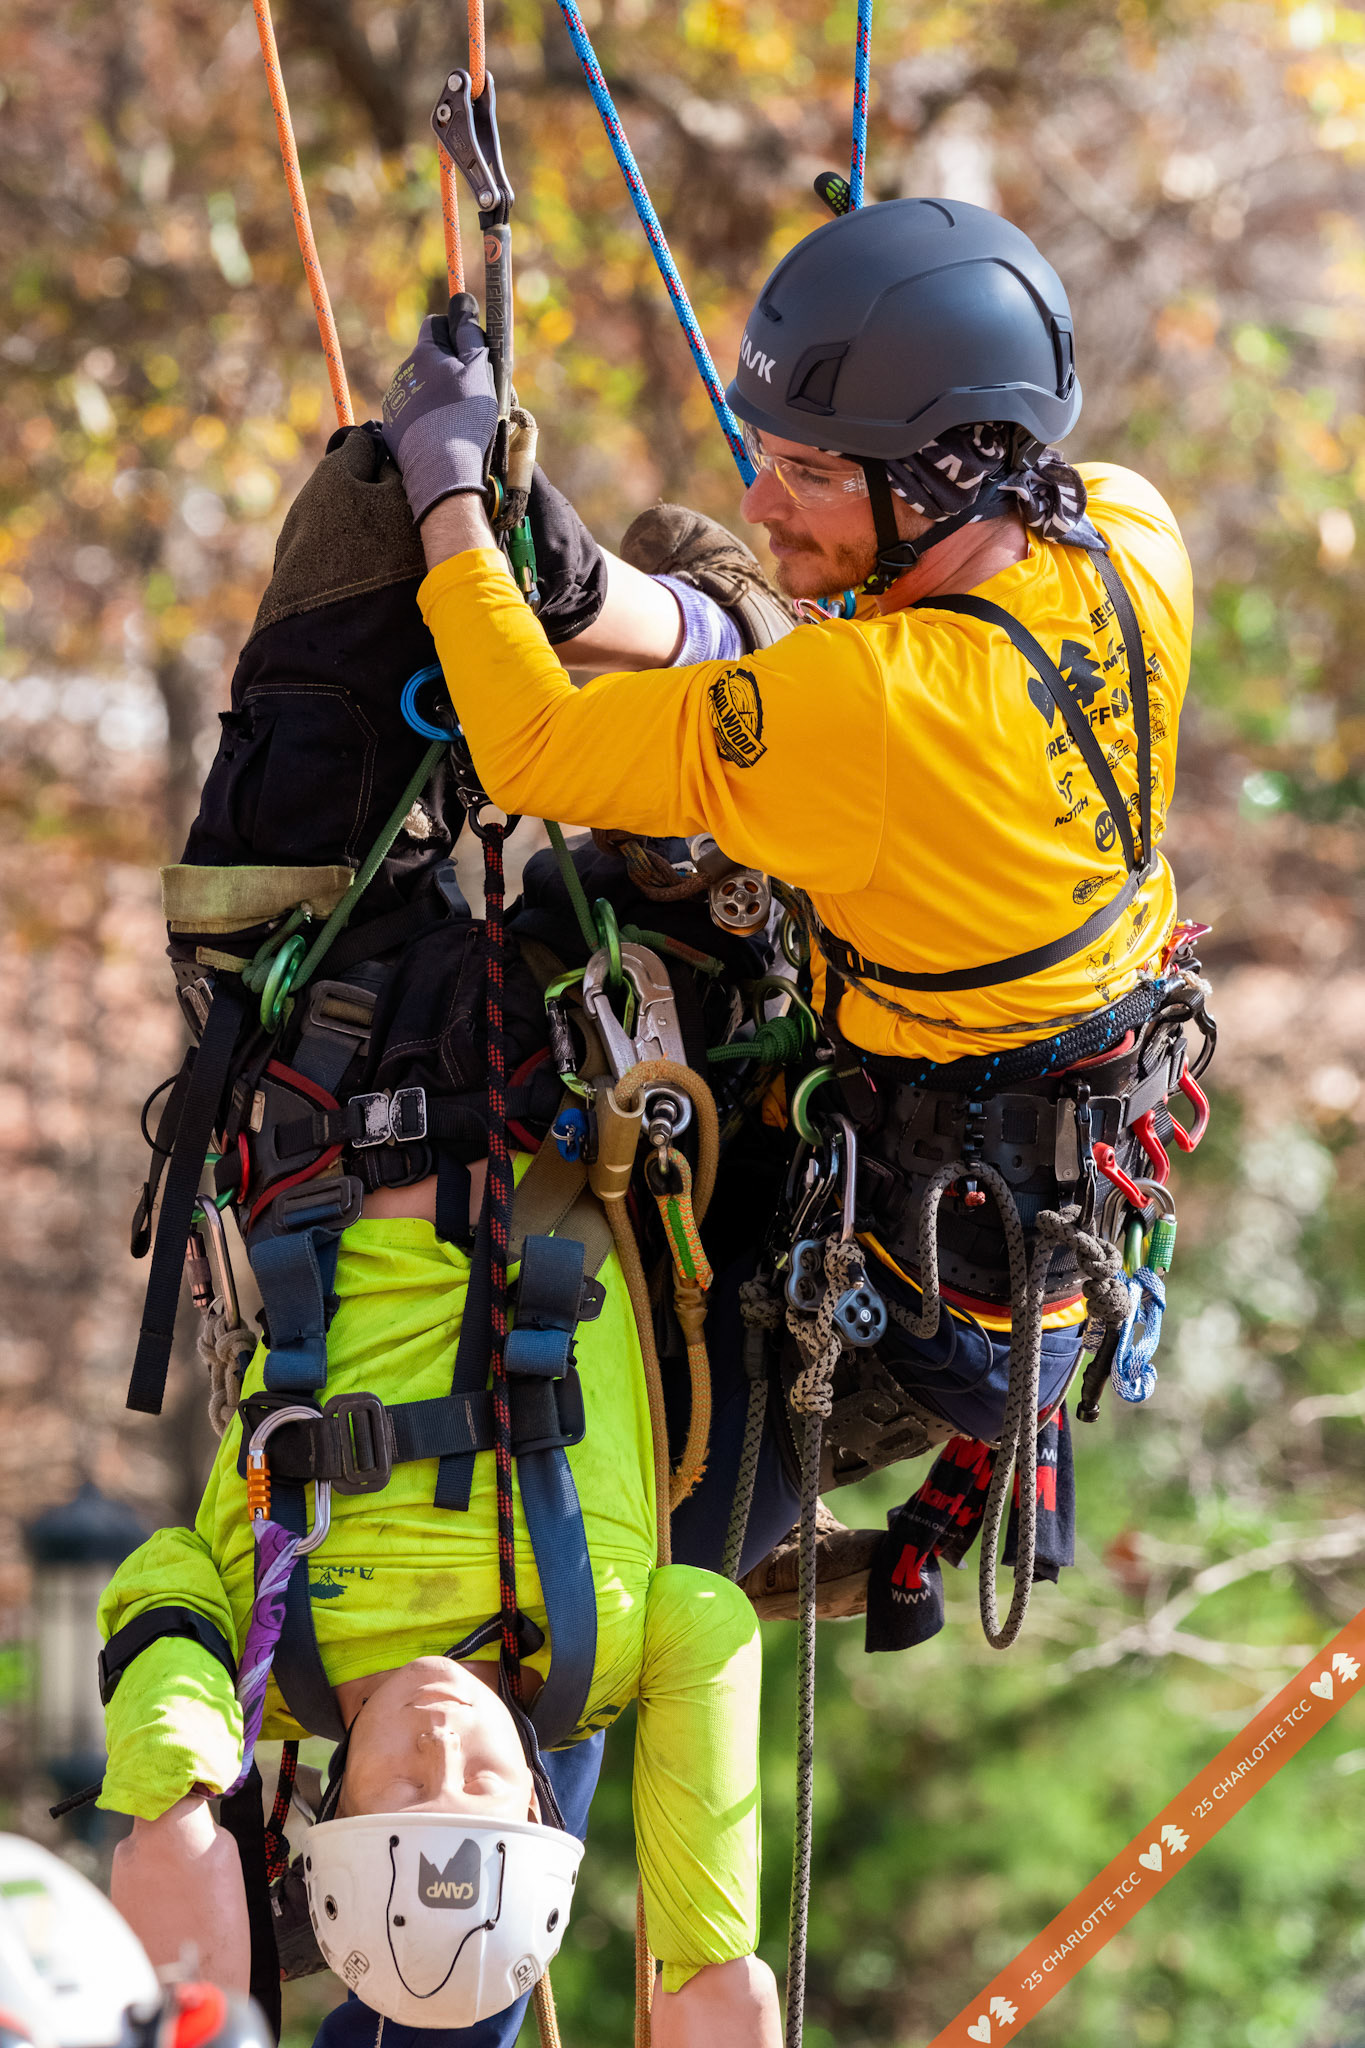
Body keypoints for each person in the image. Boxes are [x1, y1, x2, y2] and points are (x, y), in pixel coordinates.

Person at [377, 195, 1200, 1623]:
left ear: (941, 483)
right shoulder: (1130, 533)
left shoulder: (872, 709)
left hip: (923, 1264)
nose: (762, 501)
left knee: (649, 1493)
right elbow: (810, 653)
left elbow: (530, 750)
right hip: (1072, 1169)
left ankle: (746, 1546)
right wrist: (602, 599)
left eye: (809, 471)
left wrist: (448, 488)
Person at [99, 1178, 781, 2045]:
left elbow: (157, 1576)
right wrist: (709, 1957)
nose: (441, 1742)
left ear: (337, 1805)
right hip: (558, 1146)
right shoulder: (602, 1655)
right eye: (481, 1785)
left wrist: (177, 1814)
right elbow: (713, 1622)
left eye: (406, 1790)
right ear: (540, 1804)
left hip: (325, 1139)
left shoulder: (255, 1669)